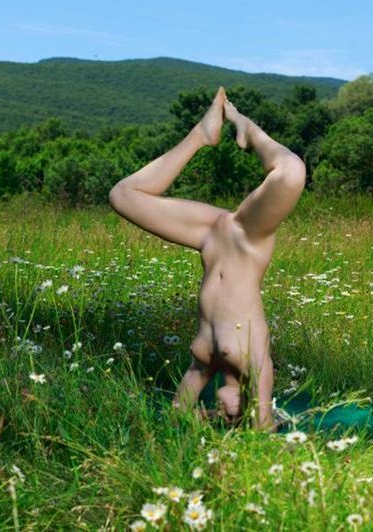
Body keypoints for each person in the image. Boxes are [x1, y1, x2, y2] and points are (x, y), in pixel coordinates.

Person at [108, 87, 306, 429]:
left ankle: (200, 135)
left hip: (213, 239)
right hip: (246, 239)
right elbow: (262, 427)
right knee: (291, 172)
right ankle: (249, 130)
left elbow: (177, 416)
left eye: (223, 418)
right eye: (232, 416)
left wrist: (202, 418)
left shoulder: (205, 363)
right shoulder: (253, 364)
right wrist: (261, 422)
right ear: (248, 405)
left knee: (122, 195)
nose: (226, 413)